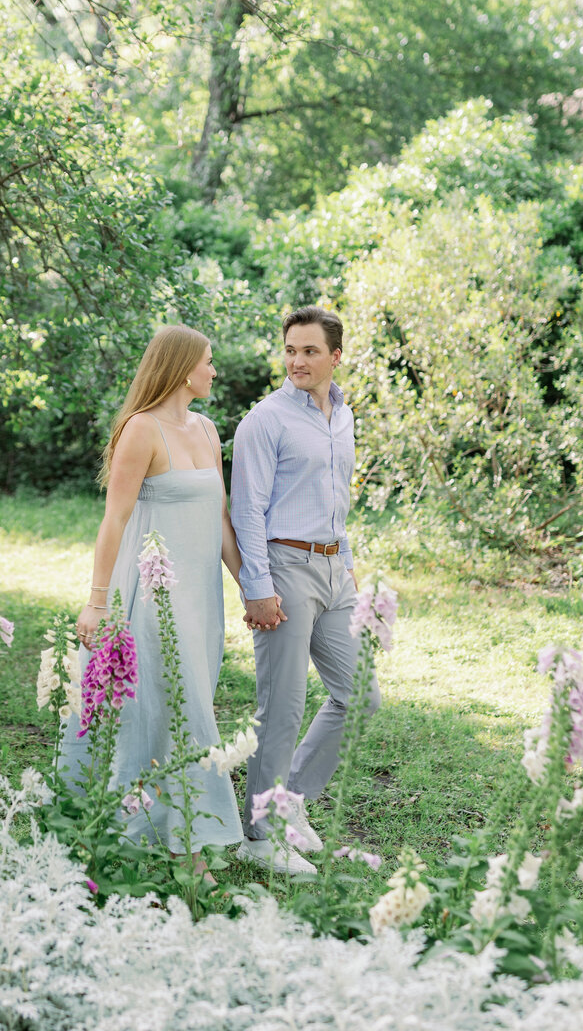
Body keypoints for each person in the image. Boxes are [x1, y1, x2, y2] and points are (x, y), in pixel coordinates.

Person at [58, 325, 244, 864]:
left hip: (200, 600)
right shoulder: (141, 431)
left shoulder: (208, 431)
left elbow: (223, 521)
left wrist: (251, 589)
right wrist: (96, 601)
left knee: (181, 708)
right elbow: (113, 521)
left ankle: (157, 827)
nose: (214, 371)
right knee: (171, 709)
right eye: (209, 361)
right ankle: (189, 848)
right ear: (184, 368)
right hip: (147, 594)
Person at [230, 305, 381, 876]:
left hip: (335, 569)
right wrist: (257, 588)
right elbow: (246, 510)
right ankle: (260, 838)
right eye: (291, 350)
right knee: (283, 708)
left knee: (360, 695)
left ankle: (287, 802)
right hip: (285, 568)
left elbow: (336, 499)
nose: (297, 361)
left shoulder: (341, 415)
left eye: (310, 351)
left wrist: (351, 573)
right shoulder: (264, 421)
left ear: (335, 357)